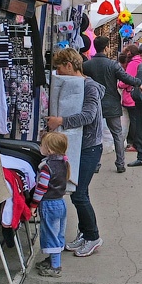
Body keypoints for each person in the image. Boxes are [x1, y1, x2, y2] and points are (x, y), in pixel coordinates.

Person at [46, 48, 105, 257]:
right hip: (81, 146)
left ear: (69, 66)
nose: (58, 73)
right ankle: (85, 232)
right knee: (81, 193)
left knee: (79, 194)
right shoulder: (79, 85)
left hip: (90, 147)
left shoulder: (90, 87)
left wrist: (60, 121)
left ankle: (93, 237)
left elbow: (88, 116)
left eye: (59, 68)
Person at [84, 36, 141, 173]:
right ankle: (120, 163)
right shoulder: (112, 65)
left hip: (94, 102)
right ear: (107, 47)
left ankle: (95, 164)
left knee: (95, 135)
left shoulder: (87, 65)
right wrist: (138, 82)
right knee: (117, 133)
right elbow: (126, 78)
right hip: (111, 102)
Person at [29, 132, 70, 278]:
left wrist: (33, 204)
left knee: (50, 234)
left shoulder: (46, 167)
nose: (40, 147)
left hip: (49, 204)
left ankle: (55, 266)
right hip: (60, 202)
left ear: (50, 150)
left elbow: (41, 188)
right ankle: (53, 259)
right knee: (58, 234)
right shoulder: (63, 162)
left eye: (42, 145)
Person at [118, 41, 142, 153]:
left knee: (133, 121)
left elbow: (127, 79)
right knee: (137, 119)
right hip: (139, 94)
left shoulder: (133, 64)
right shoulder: (141, 61)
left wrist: (119, 84)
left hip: (131, 95)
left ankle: (133, 143)